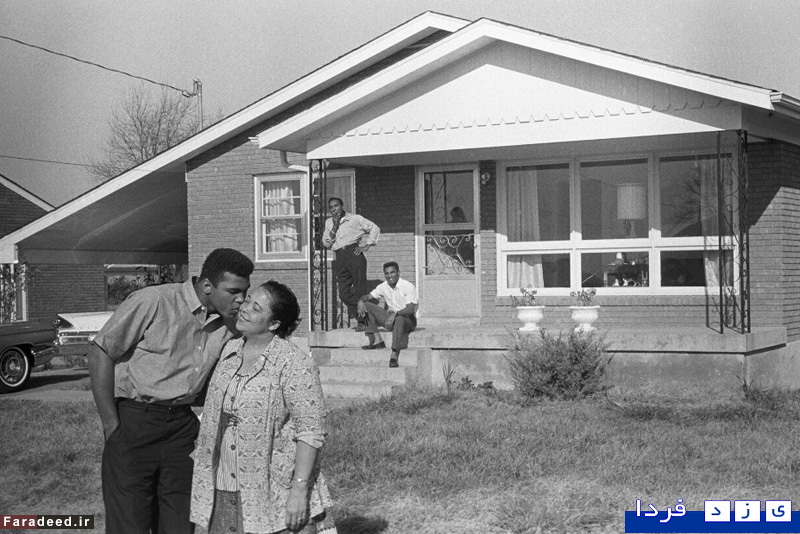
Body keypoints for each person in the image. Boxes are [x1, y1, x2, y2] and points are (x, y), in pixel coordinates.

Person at [89, 248, 254, 534]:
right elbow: (100, 351)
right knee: (130, 525)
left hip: (182, 431)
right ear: (207, 286)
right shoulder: (154, 301)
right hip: (134, 424)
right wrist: (111, 425)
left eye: (245, 292)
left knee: (180, 525)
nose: (241, 299)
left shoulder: (230, 324)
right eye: (233, 291)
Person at [190, 281, 335, 534]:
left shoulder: (294, 363)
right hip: (222, 483)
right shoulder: (229, 350)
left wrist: (299, 489)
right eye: (247, 300)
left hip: (272, 490)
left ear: (274, 324)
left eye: (256, 308)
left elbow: (311, 432)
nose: (244, 308)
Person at [322, 197, 380, 331]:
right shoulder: (329, 222)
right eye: (331, 207)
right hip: (339, 257)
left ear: (342, 206)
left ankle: (363, 322)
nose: (334, 209)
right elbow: (326, 243)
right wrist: (335, 226)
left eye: (336, 206)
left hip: (354, 254)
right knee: (343, 293)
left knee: (360, 289)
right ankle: (369, 310)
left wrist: (367, 245)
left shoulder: (354, 219)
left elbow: (374, 228)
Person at [357, 261, 418, 368]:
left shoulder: (407, 286)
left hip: (407, 320)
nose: (390, 276)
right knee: (367, 305)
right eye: (387, 273)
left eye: (392, 272)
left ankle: (394, 353)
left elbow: (411, 309)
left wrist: (396, 314)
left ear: (398, 272)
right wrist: (360, 301)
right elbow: (368, 296)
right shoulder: (383, 286)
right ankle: (378, 340)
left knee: (399, 319)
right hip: (392, 319)